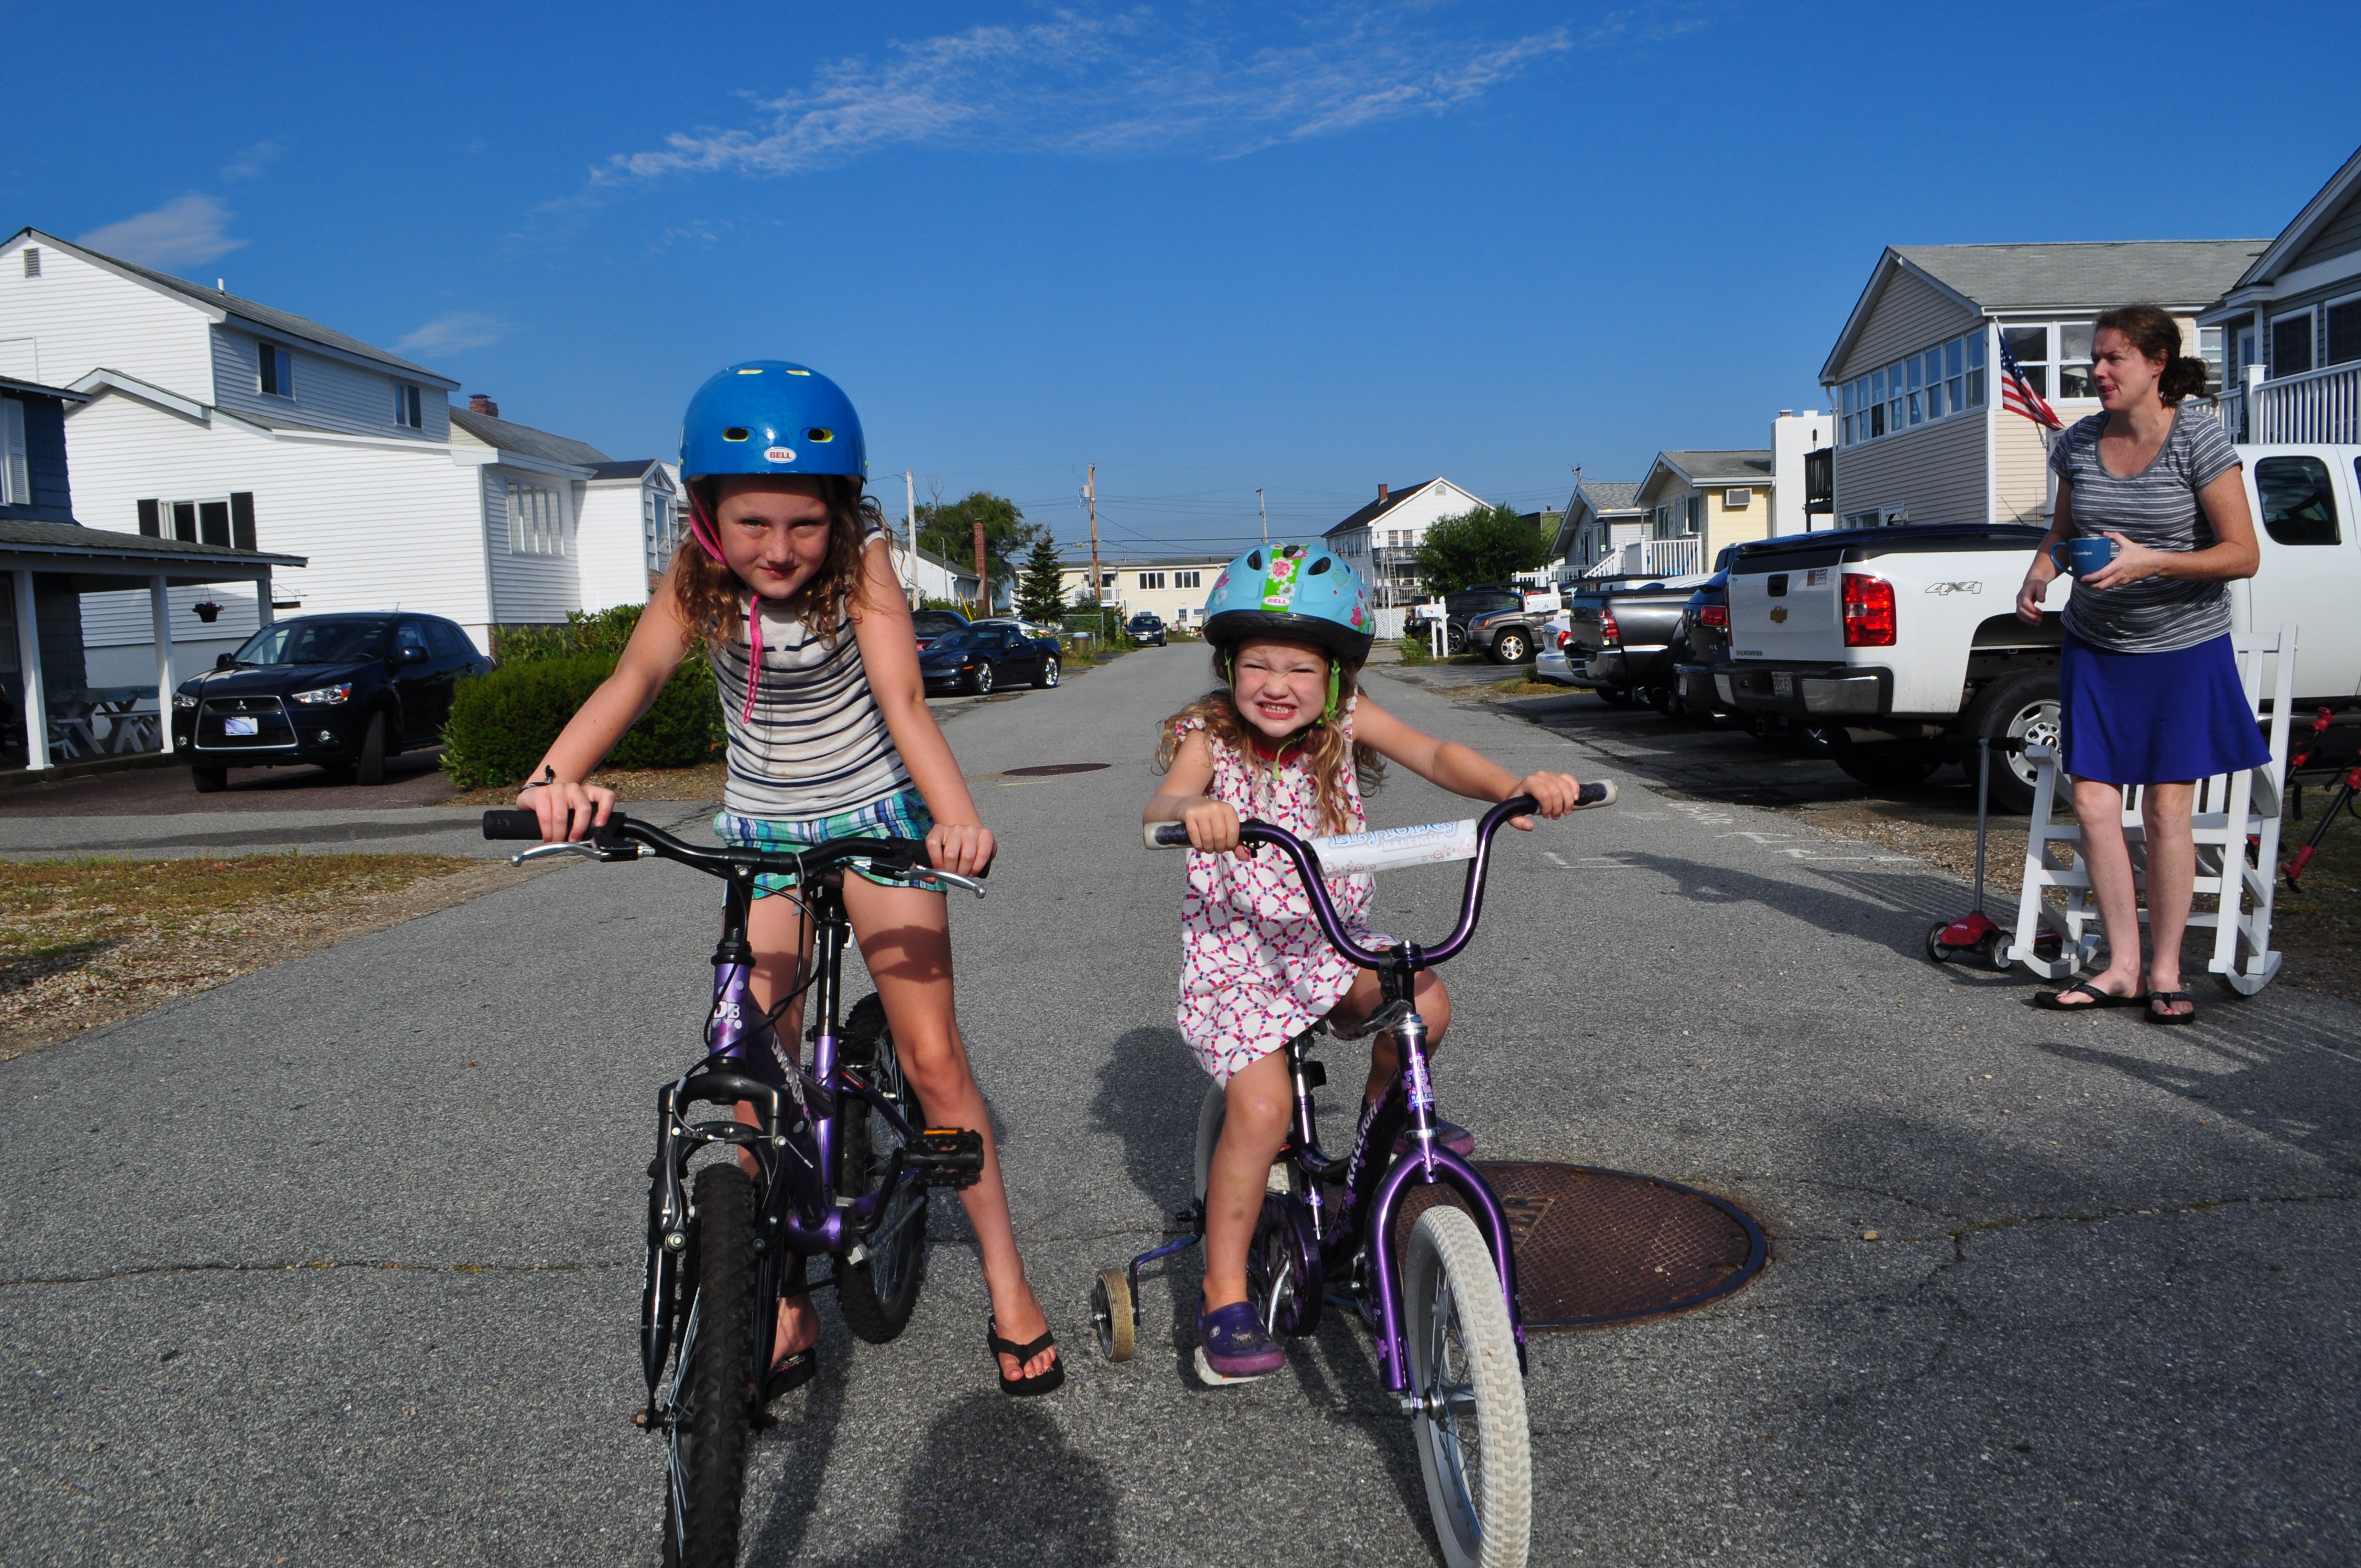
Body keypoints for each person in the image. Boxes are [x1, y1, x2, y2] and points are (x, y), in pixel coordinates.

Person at [518, 361, 1061, 1397]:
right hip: (761, 832)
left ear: (840, 513)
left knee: (934, 1060)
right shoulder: (696, 575)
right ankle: (777, 1295)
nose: (779, 547)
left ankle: (1009, 1282)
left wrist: (955, 818)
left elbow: (904, 700)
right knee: (750, 1064)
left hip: (875, 819)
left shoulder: (862, 564)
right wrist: (554, 780)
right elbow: (635, 676)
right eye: (753, 523)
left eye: (805, 523)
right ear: (707, 514)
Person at [1142, 542, 1581, 1383]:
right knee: (1262, 1111)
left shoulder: (1346, 720)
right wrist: (1193, 809)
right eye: (1256, 663)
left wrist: (1511, 787)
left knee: (1427, 1005)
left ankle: (1382, 1131)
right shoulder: (1212, 736)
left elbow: (1436, 754)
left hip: (1329, 944)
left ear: (1337, 676)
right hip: (1242, 963)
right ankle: (1223, 1293)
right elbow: (1165, 799)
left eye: (1301, 668)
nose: (1277, 684)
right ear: (1228, 667)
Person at [2013, 304, 2264, 1026]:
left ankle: (2165, 970)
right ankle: (2122, 968)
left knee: (2164, 807)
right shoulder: (2079, 442)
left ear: (2156, 364)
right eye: (2094, 358)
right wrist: (2041, 570)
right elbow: (2065, 531)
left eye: (2112, 357)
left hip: (2183, 649)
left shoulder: (2198, 438)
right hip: (2097, 648)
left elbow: (2243, 554)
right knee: (2094, 802)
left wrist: (2153, 561)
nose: (2097, 371)